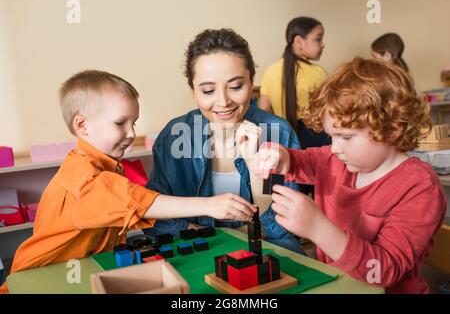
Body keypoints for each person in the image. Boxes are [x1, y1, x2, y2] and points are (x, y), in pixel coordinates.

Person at [0, 70, 255, 292]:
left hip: (78, 269)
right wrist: (209, 206)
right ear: (82, 125)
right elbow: (140, 202)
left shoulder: (101, 162)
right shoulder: (84, 178)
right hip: (38, 278)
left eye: (133, 122)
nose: (132, 133)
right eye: (120, 123)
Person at [250, 57, 446, 293]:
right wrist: (280, 155)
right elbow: (302, 160)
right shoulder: (336, 160)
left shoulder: (420, 187)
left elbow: (383, 270)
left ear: (392, 128)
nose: (334, 148)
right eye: (332, 136)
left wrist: (318, 229)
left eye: (346, 137)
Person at [143, 28, 304, 254]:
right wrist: (214, 236)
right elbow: (154, 217)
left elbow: (283, 226)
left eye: (236, 86)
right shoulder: (174, 136)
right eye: (208, 90)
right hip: (200, 244)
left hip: (268, 245)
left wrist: (254, 162)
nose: (223, 101)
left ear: (251, 82)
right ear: (194, 92)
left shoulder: (279, 133)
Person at [258, 16, 329, 149]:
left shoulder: (271, 70)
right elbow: (327, 114)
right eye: (318, 39)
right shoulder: (318, 73)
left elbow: (263, 111)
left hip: (281, 138)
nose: (323, 44)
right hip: (315, 141)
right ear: (298, 41)